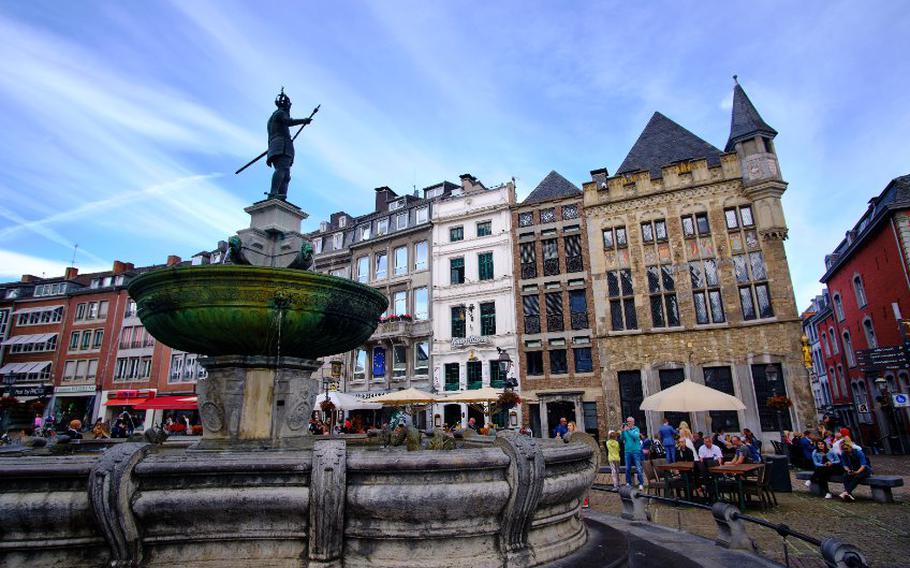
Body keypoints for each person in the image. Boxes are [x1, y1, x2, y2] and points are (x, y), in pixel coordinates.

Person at [267, 89, 314, 200]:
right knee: (282, 168)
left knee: (286, 174)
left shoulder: (274, 117)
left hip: (278, 145)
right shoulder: (280, 113)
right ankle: (274, 192)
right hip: (281, 145)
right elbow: (288, 122)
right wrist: (304, 120)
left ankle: (282, 195)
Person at [621, 417, 644, 490]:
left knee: (638, 468)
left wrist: (628, 431)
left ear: (633, 422)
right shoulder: (625, 430)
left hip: (636, 451)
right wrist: (622, 432)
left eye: (630, 421)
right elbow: (622, 439)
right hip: (627, 451)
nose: (628, 423)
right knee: (627, 468)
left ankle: (641, 483)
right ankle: (628, 483)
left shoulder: (636, 429)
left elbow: (635, 436)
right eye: (627, 421)